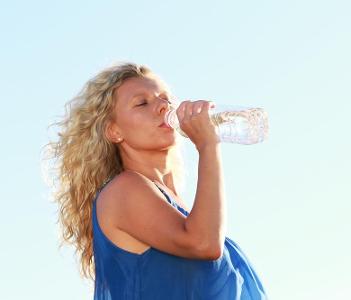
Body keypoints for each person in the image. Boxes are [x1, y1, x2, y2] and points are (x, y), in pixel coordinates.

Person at [44, 61, 268, 299]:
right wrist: (208, 145)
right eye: (142, 103)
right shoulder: (124, 190)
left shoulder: (179, 207)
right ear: (114, 131)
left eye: (166, 98)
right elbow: (203, 243)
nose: (163, 106)